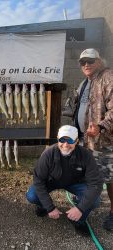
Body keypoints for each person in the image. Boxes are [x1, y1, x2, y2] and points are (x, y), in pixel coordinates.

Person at [26, 125, 103, 236]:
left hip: (76, 183)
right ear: (58, 139)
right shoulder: (48, 154)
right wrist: (50, 207)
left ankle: (79, 220)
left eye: (70, 140)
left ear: (76, 141)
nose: (65, 145)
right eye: (62, 140)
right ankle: (43, 206)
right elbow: (38, 180)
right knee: (32, 195)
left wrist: (80, 208)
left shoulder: (86, 155)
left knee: (95, 201)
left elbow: (95, 184)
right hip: (52, 181)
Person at [74, 48, 113, 231]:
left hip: (105, 142)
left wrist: (101, 126)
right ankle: (84, 201)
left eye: (90, 60)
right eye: (83, 62)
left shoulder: (108, 77)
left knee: (110, 180)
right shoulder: (84, 83)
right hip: (86, 141)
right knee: (88, 174)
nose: (86, 64)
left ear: (99, 61)